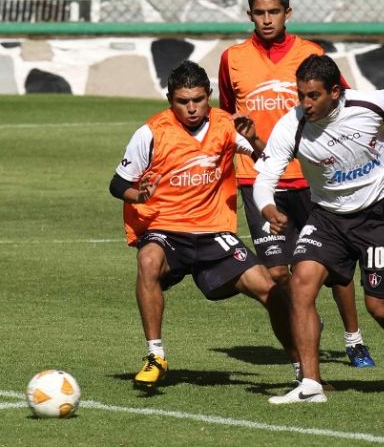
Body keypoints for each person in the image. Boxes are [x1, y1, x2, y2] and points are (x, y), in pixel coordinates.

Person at [249, 54, 384, 403]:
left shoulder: (371, 103)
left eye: (313, 95)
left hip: (379, 213)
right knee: (301, 284)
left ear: (335, 91)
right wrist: (267, 207)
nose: (305, 103)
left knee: (380, 308)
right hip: (328, 217)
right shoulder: (291, 125)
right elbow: (265, 178)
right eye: (301, 95)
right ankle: (310, 385)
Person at [219, 0, 376, 369]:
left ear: (287, 13)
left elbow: (343, 98)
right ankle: (307, 322)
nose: (267, 19)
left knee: (336, 270)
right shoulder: (232, 58)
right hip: (257, 176)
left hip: (312, 176)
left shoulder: (310, 53)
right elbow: (226, 111)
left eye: (274, 11)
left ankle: (354, 339)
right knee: (277, 272)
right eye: (259, 12)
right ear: (249, 15)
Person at [108, 60, 296, 388]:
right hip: (165, 228)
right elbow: (117, 184)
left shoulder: (226, 124)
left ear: (208, 95)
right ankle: (155, 356)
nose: (192, 108)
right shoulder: (151, 133)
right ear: (170, 99)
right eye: (183, 101)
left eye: (198, 100)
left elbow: (268, 162)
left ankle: (303, 369)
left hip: (213, 232)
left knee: (269, 289)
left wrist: (255, 139)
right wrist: (140, 195)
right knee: (148, 260)